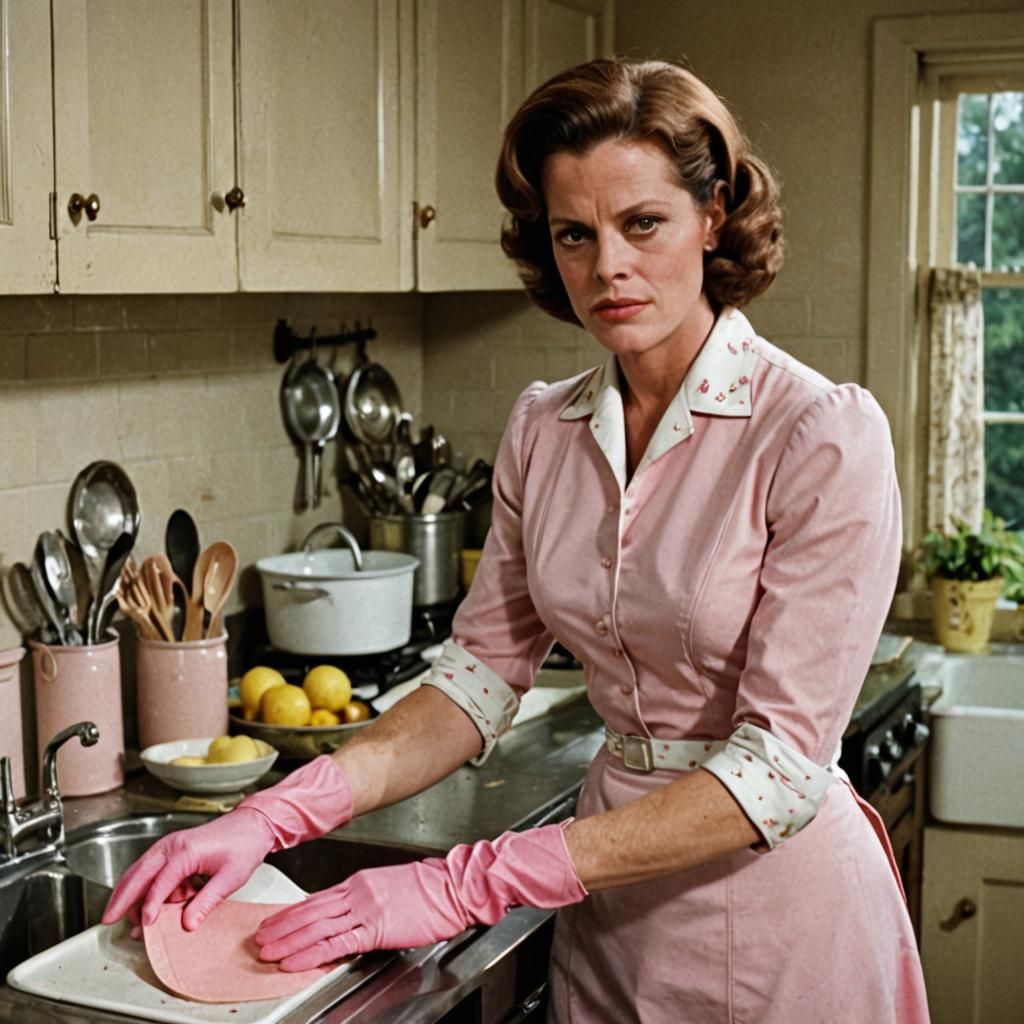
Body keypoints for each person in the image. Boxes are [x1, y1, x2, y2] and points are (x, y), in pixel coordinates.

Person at [104, 58, 930, 1022]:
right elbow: (477, 679)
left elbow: (777, 773)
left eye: (643, 224)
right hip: (606, 915)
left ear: (713, 217)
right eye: (574, 234)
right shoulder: (547, 428)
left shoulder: (817, 432)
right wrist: (273, 814)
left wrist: (462, 883)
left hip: (779, 925)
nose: (607, 267)